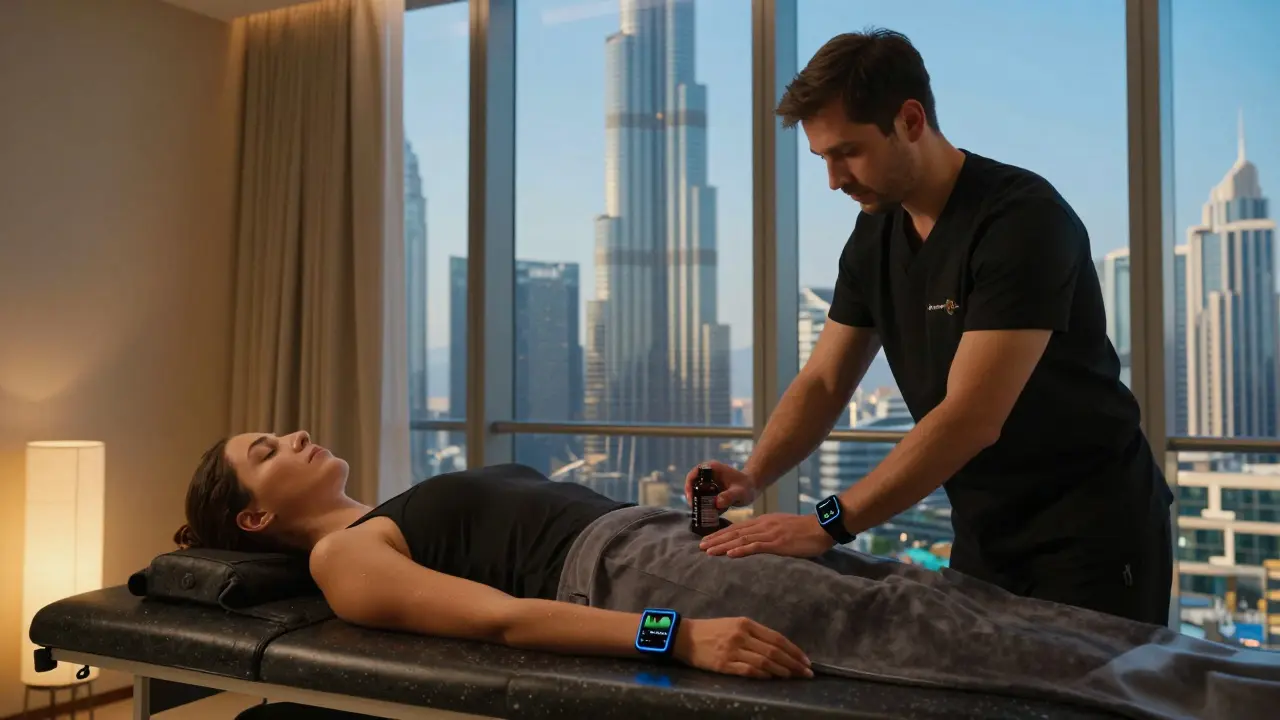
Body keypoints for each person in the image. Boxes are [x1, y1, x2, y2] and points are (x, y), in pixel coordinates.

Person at [175, 430, 1280, 720]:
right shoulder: (342, 556)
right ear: (257, 515)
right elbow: (509, 622)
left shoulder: (387, 509)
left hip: (672, 543)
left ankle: (1235, 679)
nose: (297, 435)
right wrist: (680, 638)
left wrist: (702, 524)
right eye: (267, 451)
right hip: (647, 585)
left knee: (956, 605)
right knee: (975, 646)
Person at [685, 29, 1175, 626]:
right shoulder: (874, 235)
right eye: (823, 159)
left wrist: (825, 525)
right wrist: (755, 473)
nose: (834, 180)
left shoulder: (1021, 220)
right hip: (983, 535)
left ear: (910, 120)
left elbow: (970, 417)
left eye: (848, 152)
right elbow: (823, 381)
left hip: (1091, 536)